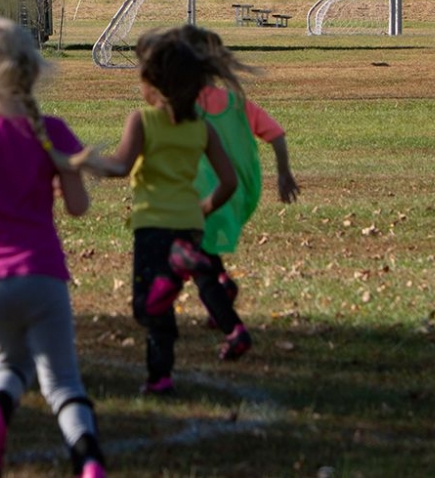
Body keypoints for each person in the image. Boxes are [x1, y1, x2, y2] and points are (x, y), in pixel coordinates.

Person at [0, 16, 107, 478]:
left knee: (10, 363)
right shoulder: (51, 131)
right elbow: (77, 207)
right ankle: (89, 460)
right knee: (63, 382)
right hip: (44, 275)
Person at [76, 27, 239, 396]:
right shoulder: (202, 128)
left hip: (152, 226)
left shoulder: (143, 120)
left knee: (145, 308)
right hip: (190, 228)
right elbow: (228, 182)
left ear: (153, 83)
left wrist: (85, 163)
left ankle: (161, 369)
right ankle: (159, 378)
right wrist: (203, 208)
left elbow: (120, 167)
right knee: (160, 299)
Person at [180, 25, 301, 363]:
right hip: (243, 191)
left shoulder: (187, 106)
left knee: (192, 257)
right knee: (201, 246)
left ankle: (231, 327)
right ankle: (223, 281)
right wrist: (284, 174)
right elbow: (276, 135)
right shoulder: (237, 102)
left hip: (210, 193)